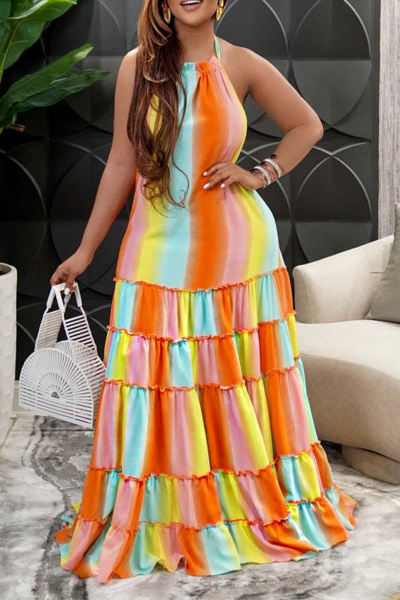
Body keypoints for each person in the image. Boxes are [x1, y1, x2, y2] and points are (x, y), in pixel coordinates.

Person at [52, 0, 357, 584]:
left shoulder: (240, 63)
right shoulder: (138, 66)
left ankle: (233, 508)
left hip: (237, 251)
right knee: (156, 380)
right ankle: (165, 513)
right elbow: (121, 161)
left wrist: (259, 173)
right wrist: (86, 251)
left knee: (230, 377)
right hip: (156, 246)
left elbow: (307, 125)